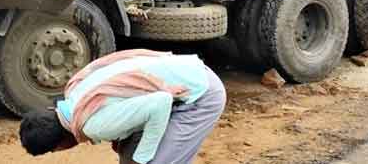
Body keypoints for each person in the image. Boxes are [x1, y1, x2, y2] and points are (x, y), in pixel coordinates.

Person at [19, 49, 226, 164]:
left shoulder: (92, 124)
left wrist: (142, 158)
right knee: (129, 155)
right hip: (187, 71)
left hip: (202, 95)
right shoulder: (74, 90)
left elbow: (160, 102)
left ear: (60, 146)